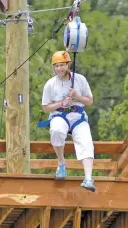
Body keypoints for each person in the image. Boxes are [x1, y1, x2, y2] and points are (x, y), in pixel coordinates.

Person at [40, 51, 96, 192]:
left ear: (68, 64)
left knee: (86, 141)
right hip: (60, 115)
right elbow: (46, 107)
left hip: (78, 116)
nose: (59, 69)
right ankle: (61, 163)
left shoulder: (80, 80)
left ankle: (88, 178)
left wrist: (78, 96)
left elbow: (89, 100)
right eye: (57, 66)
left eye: (62, 65)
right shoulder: (50, 84)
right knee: (57, 130)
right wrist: (61, 103)